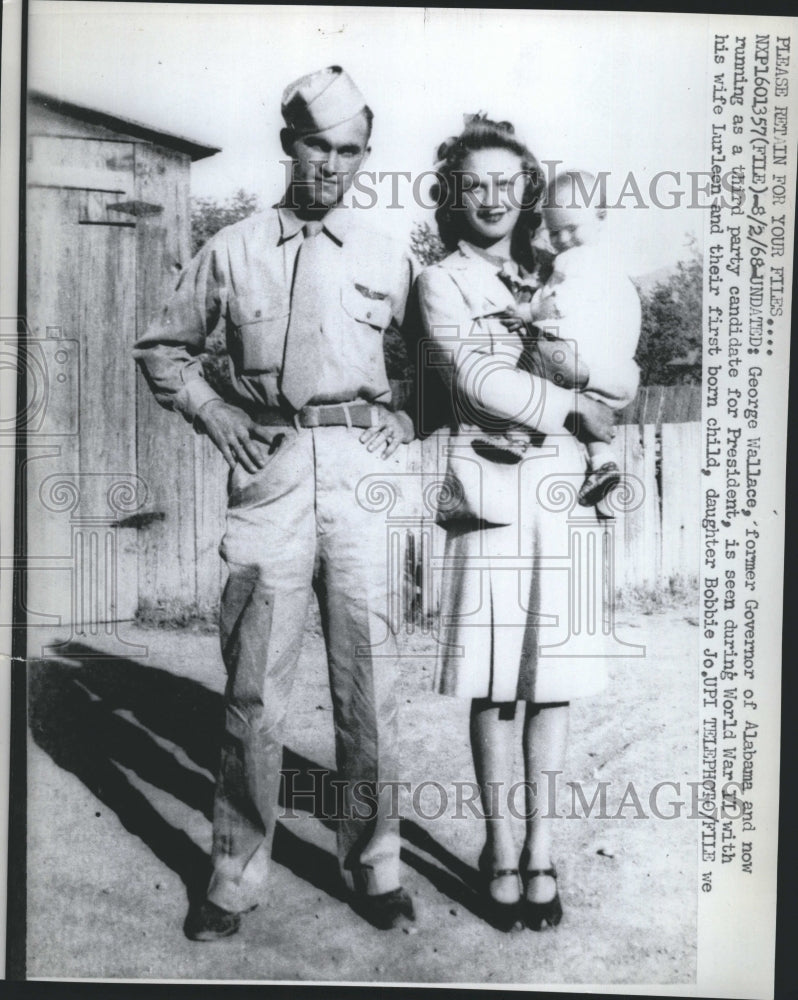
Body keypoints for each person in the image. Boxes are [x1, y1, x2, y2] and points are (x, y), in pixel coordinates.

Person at [134, 65, 417, 940]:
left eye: (350, 152)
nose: (332, 166)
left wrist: (409, 414)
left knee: (371, 686)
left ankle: (373, 863)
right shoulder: (234, 249)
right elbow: (162, 349)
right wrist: (215, 413)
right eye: (318, 147)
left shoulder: (390, 254)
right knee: (255, 689)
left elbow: (441, 365)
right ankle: (234, 871)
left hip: (365, 481)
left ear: (364, 156)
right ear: (288, 143)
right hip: (272, 473)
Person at [415, 117, 618, 931]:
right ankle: (500, 851)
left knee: (554, 683)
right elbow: (472, 382)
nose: (493, 198)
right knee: (496, 683)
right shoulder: (440, 281)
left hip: (564, 492)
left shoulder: (562, 269)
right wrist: (578, 405)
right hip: (492, 496)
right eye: (476, 184)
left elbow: (616, 366)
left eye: (509, 182)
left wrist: (606, 389)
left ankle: (541, 850)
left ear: (526, 191)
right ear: (454, 195)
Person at [497, 169, 641, 508]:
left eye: (571, 229)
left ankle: (518, 434)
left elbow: (561, 302)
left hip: (581, 351)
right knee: (591, 420)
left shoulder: (579, 260)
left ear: (600, 216)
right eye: (555, 232)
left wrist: (528, 312)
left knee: (534, 361)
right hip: (609, 364)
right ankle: (603, 463)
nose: (562, 240)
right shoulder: (607, 259)